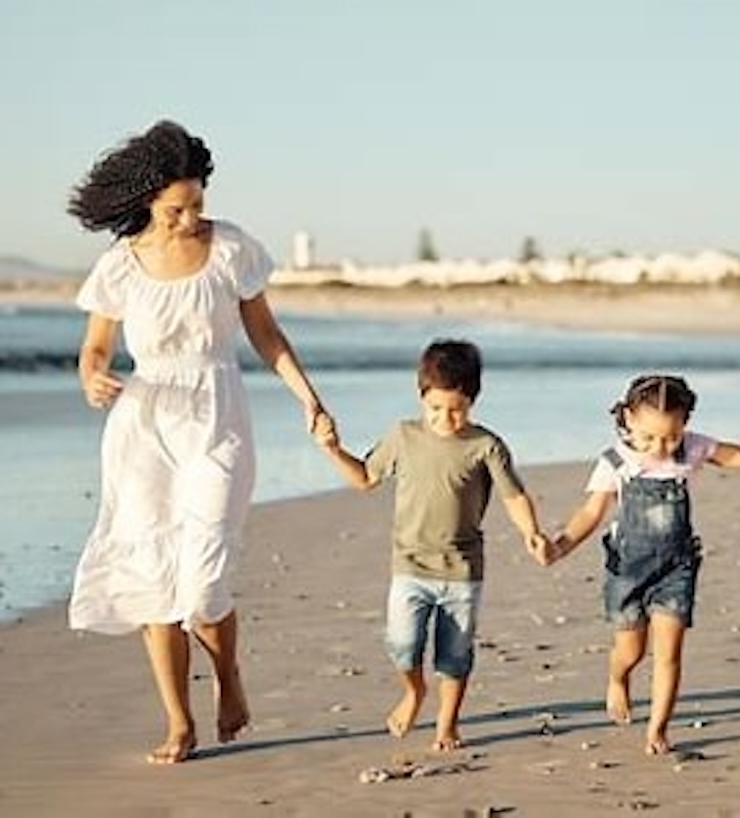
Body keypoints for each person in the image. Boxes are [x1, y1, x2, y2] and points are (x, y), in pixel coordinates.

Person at [67, 120, 333, 764]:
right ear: (148, 201)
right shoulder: (120, 265)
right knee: (153, 581)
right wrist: (93, 377)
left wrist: (309, 398)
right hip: (144, 427)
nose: (190, 220)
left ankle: (228, 673)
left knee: (206, 582)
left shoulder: (230, 248)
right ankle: (179, 722)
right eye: (176, 210)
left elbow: (266, 334)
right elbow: (95, 348)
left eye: (197, 205)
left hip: (217, 418)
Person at [313, 339, 551, 751]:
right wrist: (332, 449)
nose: (445, 418)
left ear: (472, 400)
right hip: (409, 566)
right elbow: (366, 478)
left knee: (455, 656)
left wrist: (532, 532)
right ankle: (414, 691)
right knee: (403, 646)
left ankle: (447, 724)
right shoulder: (403, 436)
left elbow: (514, 496)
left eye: (456, 409)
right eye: (435, 408)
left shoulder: (486, 446)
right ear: (421, 396)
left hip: (462, 570)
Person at [548, 374, 740, 755]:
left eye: (671, 437)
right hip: (627, 571)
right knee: (631, 651)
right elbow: (591, 513)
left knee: (669, 655)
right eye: (649, 437)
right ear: (628, 419)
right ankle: (618, 678)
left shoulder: (692, 449)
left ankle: (658, 727)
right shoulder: (615, 461)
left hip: (676, 570)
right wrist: (560, 546)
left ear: (685, 424)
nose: (660, 447)